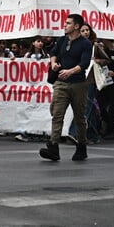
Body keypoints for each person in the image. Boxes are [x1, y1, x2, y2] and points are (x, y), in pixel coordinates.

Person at [39, 13, 93, 161]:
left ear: (76, 26)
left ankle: (82, 146)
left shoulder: (85, 44)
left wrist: (70, 71)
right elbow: (53, 53)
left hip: (78, 84)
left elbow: (84, 64)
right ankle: (53, 147)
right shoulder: (62, 40)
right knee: (57, 114)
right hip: (61, 83)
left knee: (80, 117)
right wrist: (54, 63)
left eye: (68, 23)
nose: (65, 25)